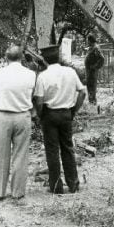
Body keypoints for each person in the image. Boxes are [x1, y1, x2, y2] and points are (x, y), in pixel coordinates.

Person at [34, 46, 86, 194]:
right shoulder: (70, 72)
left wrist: (40, 114)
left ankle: (56, 186)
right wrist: (74, 110)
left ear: (44, 59)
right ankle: (73, 183)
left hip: (49, 114)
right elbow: (82, 92)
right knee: (68, 148)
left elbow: (39, 100)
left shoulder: (43, 76)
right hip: (66, 114)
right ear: (59, 57)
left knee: (52, 151)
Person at [0, 45, 36, 200]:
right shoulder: (30, 74)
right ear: (21, 57)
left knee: (1, 154)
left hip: (3, 116)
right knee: (21, 154)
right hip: (22, 116)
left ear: (6, 57)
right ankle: (18, 192)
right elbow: (32, 94)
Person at [84, 34, 105, 105]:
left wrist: (94, 67)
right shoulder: (92, 47)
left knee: (92, 87)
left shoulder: (96, 48)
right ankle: (91, 102)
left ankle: (93, 103)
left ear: (90, 40)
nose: (87, 42)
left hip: (92, 72)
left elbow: (102, 59)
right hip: (89, 71)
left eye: (87, 40)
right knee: (89, 87)